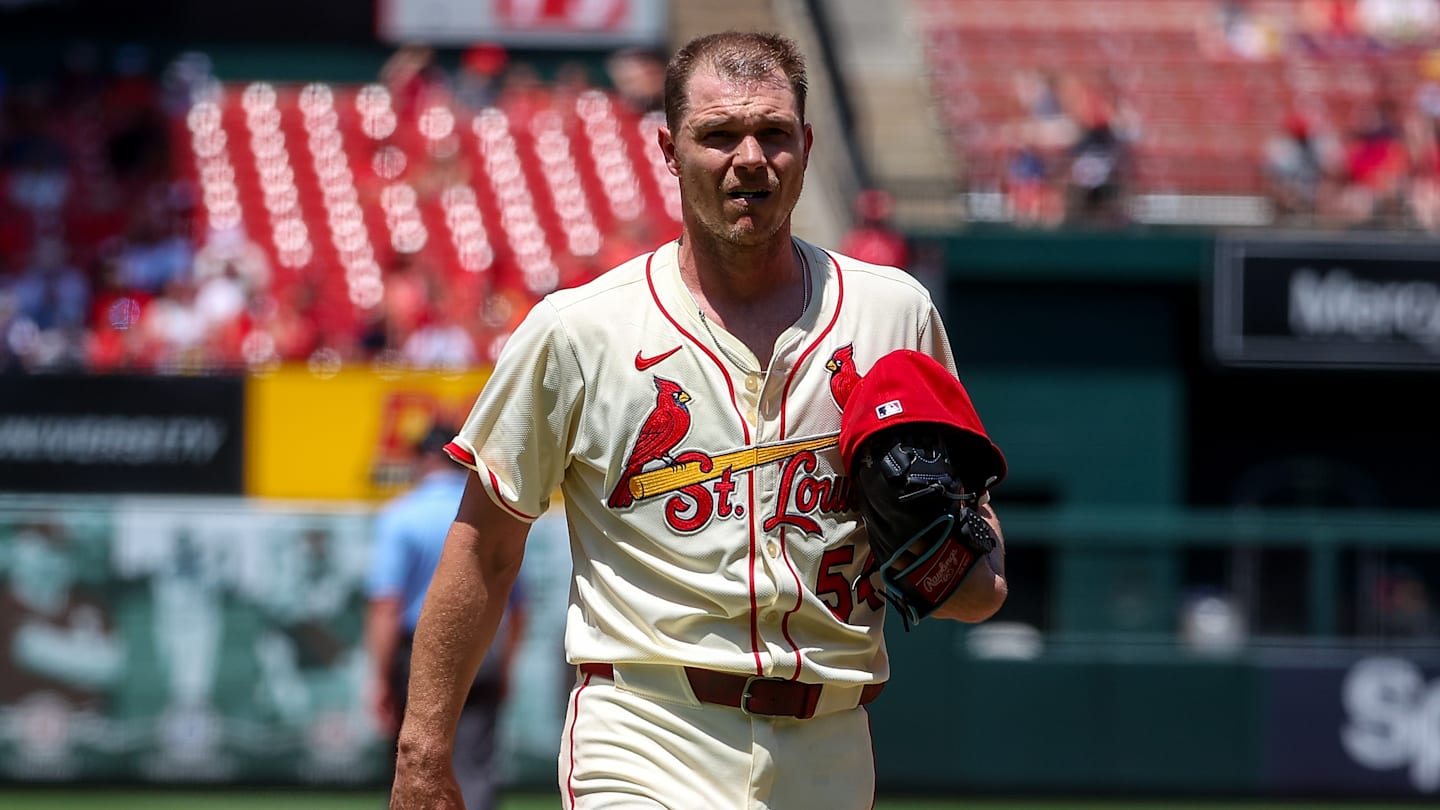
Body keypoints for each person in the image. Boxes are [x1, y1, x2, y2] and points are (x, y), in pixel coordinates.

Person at [388, 31, 1008, 810]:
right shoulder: (578, 329)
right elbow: (487, 547)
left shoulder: (895, 313)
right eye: (718, 135)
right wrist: (421, 751)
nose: (750, 157)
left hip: (831, 741)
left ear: (808, 145)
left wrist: (941, 547)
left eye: (773, 133)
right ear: (669, 151)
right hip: (646, 728)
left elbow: (981, 589)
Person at [368, 425, 524, 810]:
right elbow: (518, 604)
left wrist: (378, 677)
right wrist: (505, 664)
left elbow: (386, 605)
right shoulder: (495, 512)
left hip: (414, 652)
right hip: (482, 644)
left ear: (422, 460)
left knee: (417, 767)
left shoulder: (401, 516)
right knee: (476, 768)